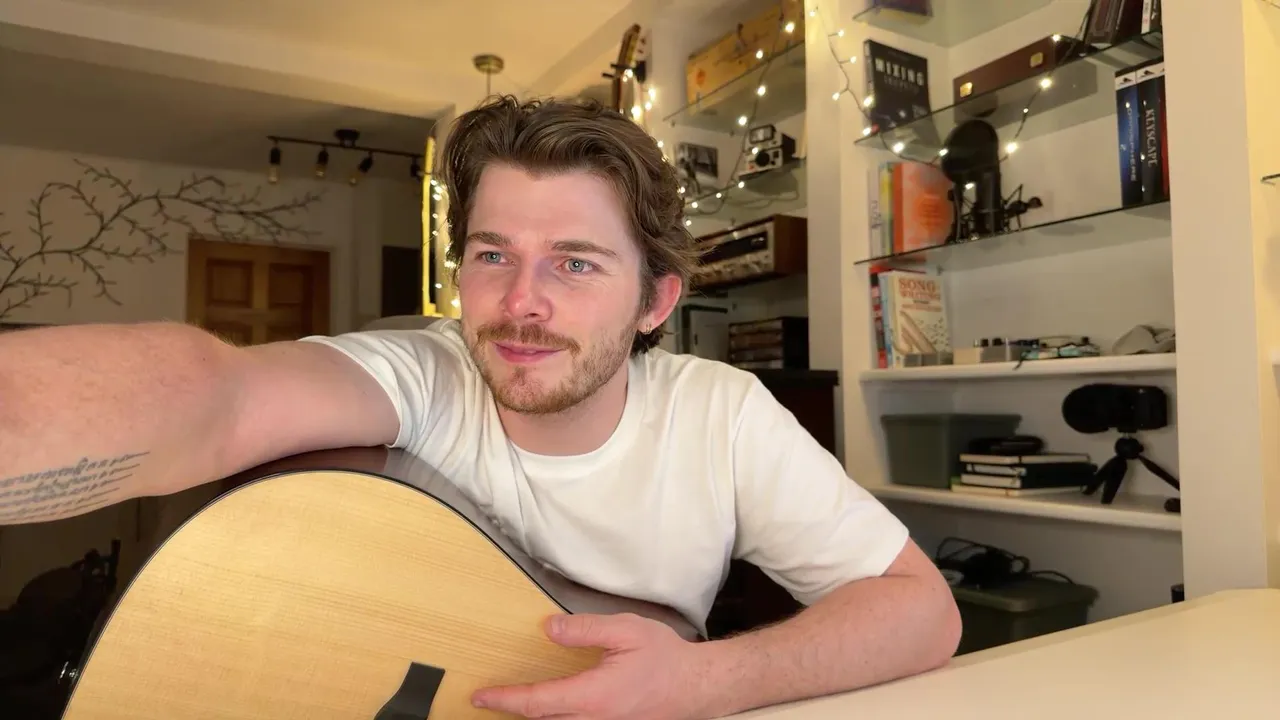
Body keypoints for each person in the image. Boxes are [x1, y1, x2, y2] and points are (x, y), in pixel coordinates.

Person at [0, 95, 960, 718]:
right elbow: (215, 396)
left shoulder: (724, 415)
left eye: (574, 264)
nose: (520, 302)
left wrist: (704, 679)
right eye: (493, 254)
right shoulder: (424, 375)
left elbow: (923, 612)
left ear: (655, 303)